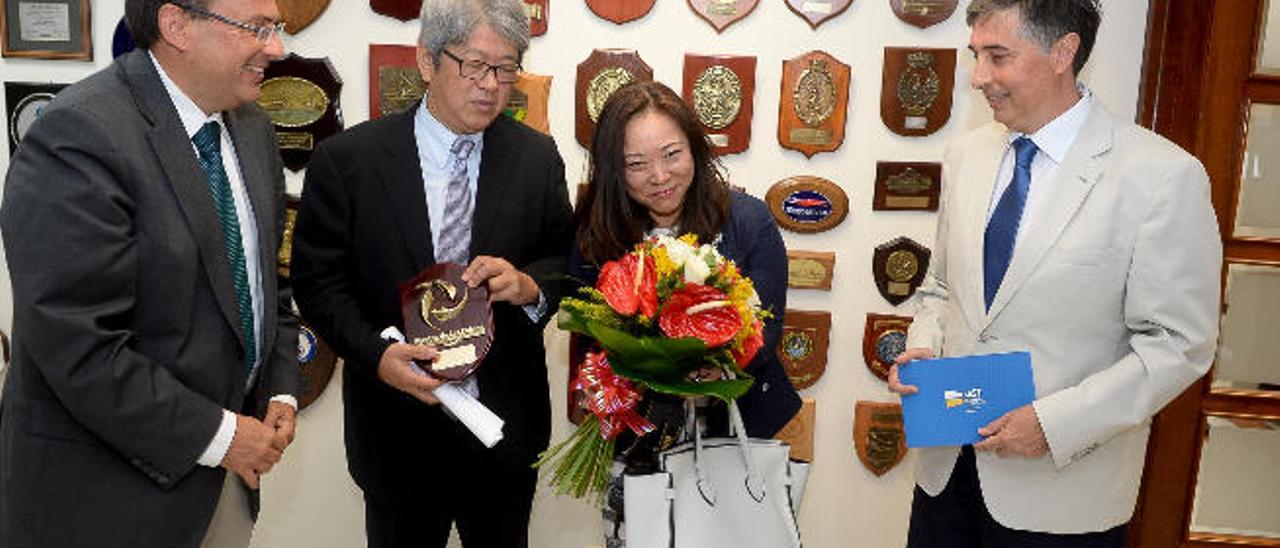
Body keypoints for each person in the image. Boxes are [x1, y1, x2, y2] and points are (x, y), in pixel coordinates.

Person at [886, 1, 1222, 546]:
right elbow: (940, 288)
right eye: (977, 56)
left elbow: (1179, 343)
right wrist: (925, 347)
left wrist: (1055, 424)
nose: (978, 78)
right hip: (945, 477)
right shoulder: (965, 156)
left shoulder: (1162, 177)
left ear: (1064, 52)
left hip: (1062, 496)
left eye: (998, 57)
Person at [0, 0, 299, 546]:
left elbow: (265, 287)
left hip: (226, 484)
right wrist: (225, 436)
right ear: (176, 25)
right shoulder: (79, 134)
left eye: (275, 28)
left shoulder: (252, 127)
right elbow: (78, 346)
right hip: (108, 502)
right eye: (257, 28)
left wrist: (280, 390)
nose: (277, 48)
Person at [289, 0, 572, 545]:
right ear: (426, 60)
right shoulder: (351, 161)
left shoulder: (537, 158)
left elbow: (565, 260)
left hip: (502, 432)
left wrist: (530, 286)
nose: (491, 85)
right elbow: (319, 284)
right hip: (396, 434)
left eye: (507, 68)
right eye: (474, 64)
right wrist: (377, 357)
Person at [570, 80, 802, 547]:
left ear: (695, 147)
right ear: (615, 171)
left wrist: (697, 369)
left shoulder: (748, 220)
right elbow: (591, 330)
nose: (659, 176)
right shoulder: (597, 229)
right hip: (635, 446)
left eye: (672, 154)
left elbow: (765, 335)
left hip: (733, 444)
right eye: (636, 164)